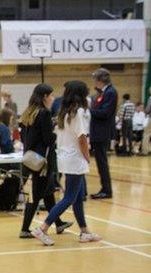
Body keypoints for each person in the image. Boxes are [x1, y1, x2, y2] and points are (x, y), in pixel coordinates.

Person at [31, 81, 102, 246]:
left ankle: (84, 231)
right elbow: (82, 138)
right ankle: (43, 228)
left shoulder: (64, 111)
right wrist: (87, 156)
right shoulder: (78, 112)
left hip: (64, 156)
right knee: (69, 197)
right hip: (75, 158)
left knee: (78, 196)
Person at [19, 83, 71, 238]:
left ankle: (59, 223)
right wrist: (56, 133)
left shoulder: (28, 113)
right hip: (43, 161)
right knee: (35, 195)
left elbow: (25, 137)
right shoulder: (44, 114)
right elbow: (48, 139)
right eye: (51, 95)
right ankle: (24, 229)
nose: (53, 98)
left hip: (31, 158)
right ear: (44, 97)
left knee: (47, 193)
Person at [88, 68, 116, 199]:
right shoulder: (102, 93)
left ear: (100, 80)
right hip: (97, 132)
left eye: (95, 79)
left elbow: (105, 113)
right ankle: (104, 188)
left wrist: (88, 111)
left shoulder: (110, 92)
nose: (94, 82)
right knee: (100, 163)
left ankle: (107, 190)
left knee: (102, 163)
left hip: (102, 132)